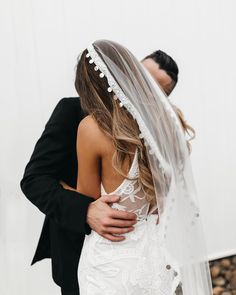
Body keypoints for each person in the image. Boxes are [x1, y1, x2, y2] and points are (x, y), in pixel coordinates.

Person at [19, 45, 192, 295]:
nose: (144, 89)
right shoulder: (73, 112)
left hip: (142, 256)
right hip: (80, 251)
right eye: (143, 77)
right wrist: (85, 209)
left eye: (157, 89)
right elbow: (34, 179)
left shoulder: (158, 132)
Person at [61, 40, 213, 294]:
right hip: (151, 258)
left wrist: (60, 185)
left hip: (109, 262)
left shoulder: (91, 128)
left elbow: (86, 199)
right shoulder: (162, 125)